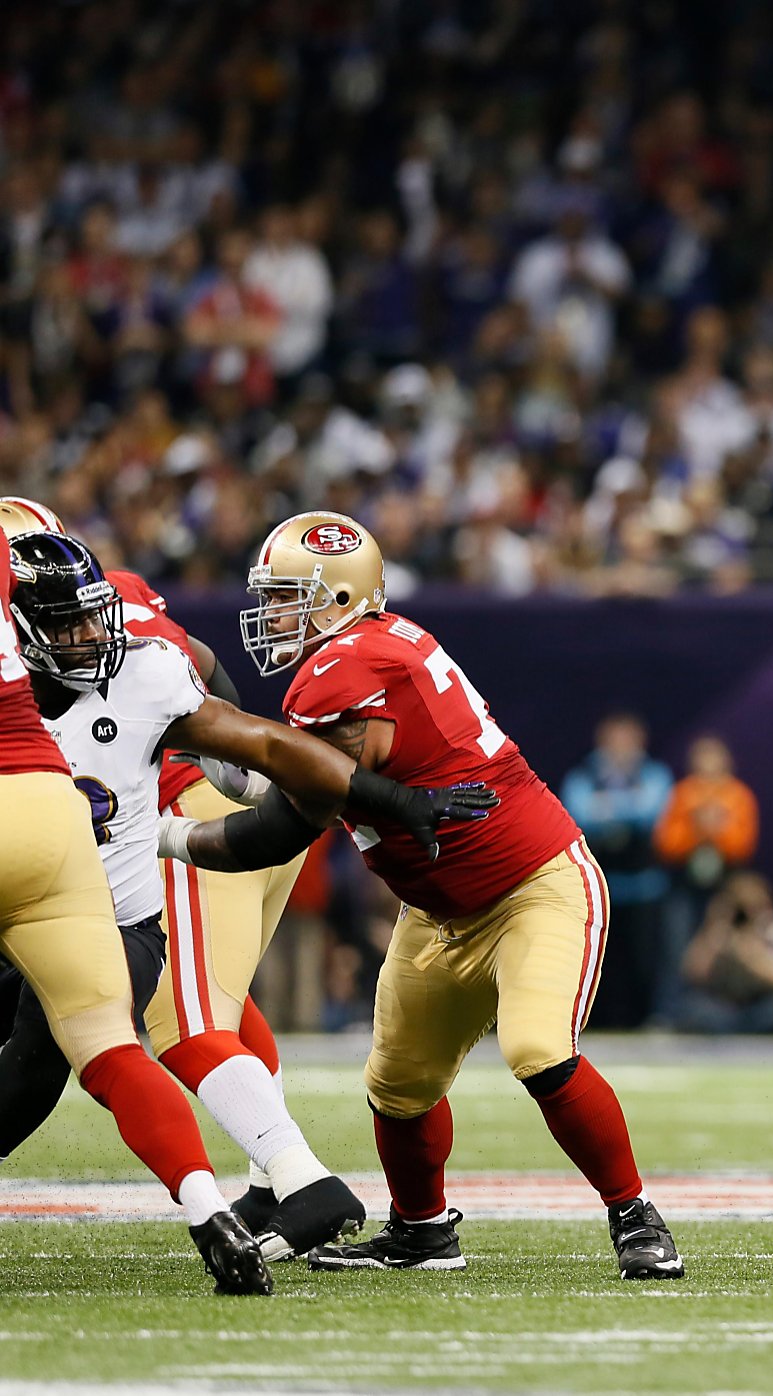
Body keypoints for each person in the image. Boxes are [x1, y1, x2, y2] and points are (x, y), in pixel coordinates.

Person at [185, 510, 683, 1280]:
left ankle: (635, 1215)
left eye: (290, 596)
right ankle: (423, 1233)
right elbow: (277, 773)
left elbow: (278, 824)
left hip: (534, 884)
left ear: (342, 598)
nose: (274, 614)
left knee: (538, 1051)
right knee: (398, 1082)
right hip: (439, 909)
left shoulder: (340, 674)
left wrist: (163, 831)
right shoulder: (371, 647)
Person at [0, 531, 479, 1259]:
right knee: (193, 1008)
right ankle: (267, 1180)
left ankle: (295, 1176)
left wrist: (380, 798)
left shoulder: (145, 667)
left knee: (166, 1026)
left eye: (96, 614)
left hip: (115, 889)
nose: (91, 634)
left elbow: (248, 730)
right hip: (106, 866)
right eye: (67, 623)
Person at [0, 496, 333, 1248]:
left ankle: (302, 1178)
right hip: (206, 813)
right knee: (217, 1005)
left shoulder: (52, 636)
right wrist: (245, 782)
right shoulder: (114, 598)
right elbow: (211, 674)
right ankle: (268, 1187)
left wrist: (201, 801)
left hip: (166, 828)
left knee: (182, 1020)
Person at [561, 714, 675, 1028]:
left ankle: (647, 1020)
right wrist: (626, 806)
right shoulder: (584, 775)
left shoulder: (654, 774)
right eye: (615, 740)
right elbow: (578, 813)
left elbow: (652, 812)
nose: (622, 748)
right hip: (600, 889)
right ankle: (595, 1024)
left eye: (629, 740)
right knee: (598, 963)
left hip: (644, 888)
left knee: (644, 960)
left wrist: (607, 807)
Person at [652, 735, 758, 1027]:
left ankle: (719, 1014)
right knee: (676, 948)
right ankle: (669, 1014)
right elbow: (666, 843)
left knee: (721, 948)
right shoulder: (683, 795)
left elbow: (743, 845)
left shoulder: (739, 796)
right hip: (684, 886)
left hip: (724, 889)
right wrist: (696, 830)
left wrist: (717, 833)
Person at [677, 871, 773, 1033]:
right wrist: (716, 926)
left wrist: (750, 953)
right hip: (727, 1010)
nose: (748, 915)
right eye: (742, 908)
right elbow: (693, 971)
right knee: (694, 1007)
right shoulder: (721, 934)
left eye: (755, 906)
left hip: (765, 1007)